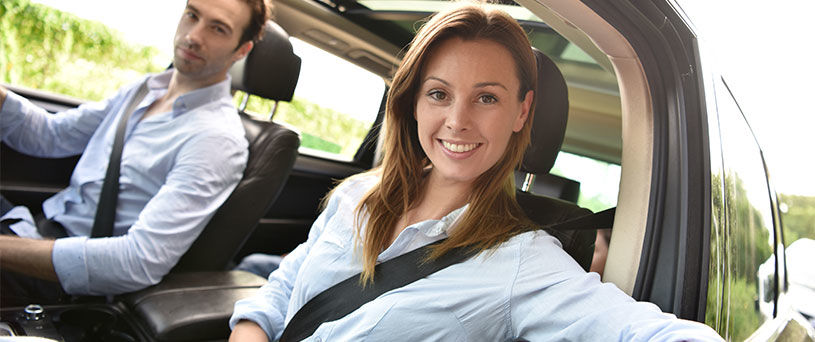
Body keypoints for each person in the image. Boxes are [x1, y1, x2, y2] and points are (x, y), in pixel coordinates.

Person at [228, 4, 724, 341]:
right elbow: (284, 284)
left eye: (487, 97)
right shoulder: (356, 195)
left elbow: (637, 331)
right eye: (439, 93)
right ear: (414, 102)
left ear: (522, 113)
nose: (458, 121)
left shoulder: (525, 261)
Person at [0, 0, 270, 304]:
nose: (194, 35)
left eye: (218, 29)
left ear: (241, 51)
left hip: (61, 283)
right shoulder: (145, 88)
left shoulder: (217, 140)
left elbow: (137, 261)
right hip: (30, 228)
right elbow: (52, 136)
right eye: (192, 15)